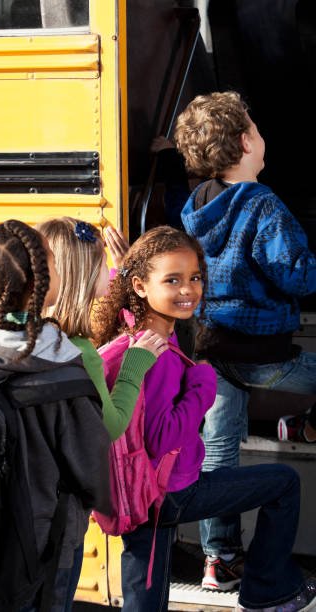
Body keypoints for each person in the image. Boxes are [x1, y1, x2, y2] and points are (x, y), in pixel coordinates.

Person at [92, 225, 316, 612]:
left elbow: (128, 293)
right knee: (284, 483)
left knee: (144, 596)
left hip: (140, 491)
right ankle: (266, 591)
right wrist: (203, 387)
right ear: (143, 287)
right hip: (171, 494)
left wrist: (124, 269)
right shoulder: (158, 354)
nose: (188, 290)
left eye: (194, 277)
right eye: (173, 280)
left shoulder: (138, 327)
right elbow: (162, 438)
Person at [174, 91, 316, 591]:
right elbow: (296, 276)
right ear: (243, 142)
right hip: (263, 355)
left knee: (217, 454)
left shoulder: (196, 205)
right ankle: (305, 424)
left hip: (212, 351)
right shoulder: (263, 203)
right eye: (255, 128)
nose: (262, 136)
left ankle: (220, 560)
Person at [0, 219, 111, 612]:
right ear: (39, 284)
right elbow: (94, 466)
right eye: (51, 264)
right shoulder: (61, 364)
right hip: (47, 538)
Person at [36, 216, 168, 611]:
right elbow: (108, 427)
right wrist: (134, 367)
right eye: (101, 264)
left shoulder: (40, 335)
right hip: (64, 511)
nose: (106, 271)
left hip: (31, 499)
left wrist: (126, 269)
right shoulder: (82, 352)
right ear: (84, 274)